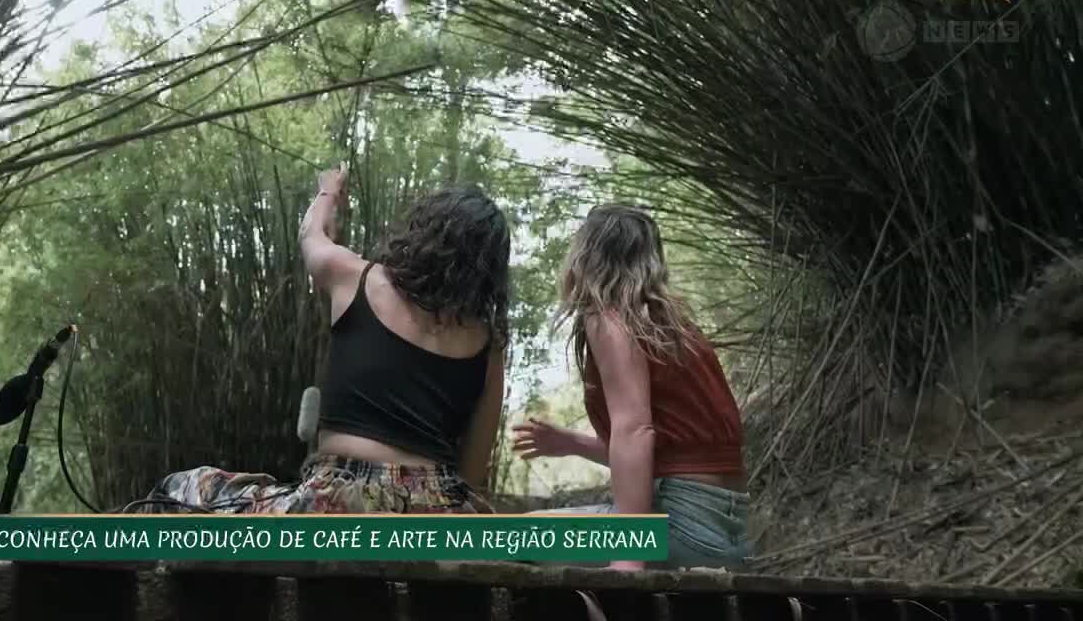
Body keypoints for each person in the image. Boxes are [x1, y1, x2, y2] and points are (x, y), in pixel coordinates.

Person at [132, 164, 510, 514]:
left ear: (425, 232)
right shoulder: (488, 346)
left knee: (181, 488)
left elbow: (311, 235)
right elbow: (472, 473)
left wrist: (328, 192)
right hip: (436, 511)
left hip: (339, 500)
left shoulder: (356, 277)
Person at [512, 204, 750, 571]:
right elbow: (671, 455)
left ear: (587, 255)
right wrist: (571, 444)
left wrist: (629, 555)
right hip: (729, 535)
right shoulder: (676, 330)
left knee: (502, 539)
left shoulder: (609, 316)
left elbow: (635, 430)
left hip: (677, 525)